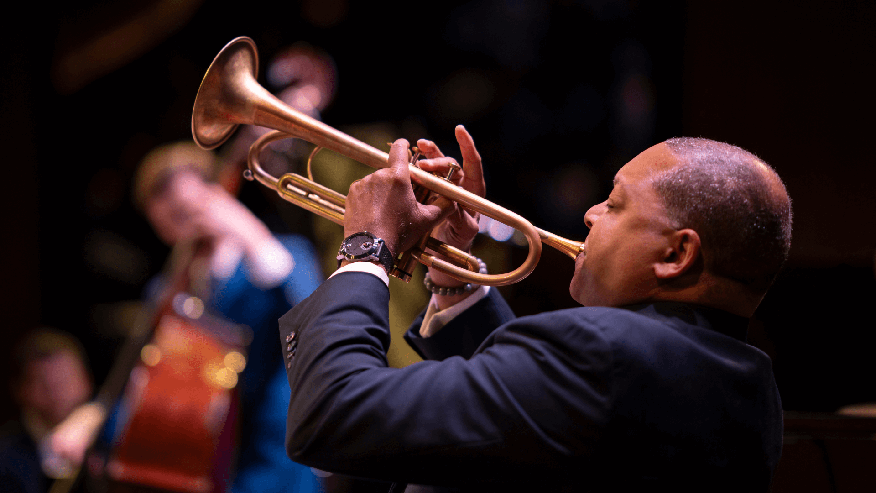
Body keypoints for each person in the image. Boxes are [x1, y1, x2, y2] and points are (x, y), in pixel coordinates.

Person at [277, 126, 792, 492]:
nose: (589, 213)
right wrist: (454, 273)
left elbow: (332, 415)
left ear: (676, 255)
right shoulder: (749, 386)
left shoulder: (600, 355)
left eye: (614, 204)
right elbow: (531, 420)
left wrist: (367, 248)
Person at [128, 140, 325, 493]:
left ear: (217, 197)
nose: (183, 231)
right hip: (200, 460)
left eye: (187, 212)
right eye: (170, 222)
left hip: (274, 454)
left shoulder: (283, 253)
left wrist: (249, 234)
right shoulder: (168, 290)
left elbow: (313, 317)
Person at [0, 328, 95, 493]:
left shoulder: (110, 426)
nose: (58, 394)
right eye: (45, 385)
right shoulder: (5, 456)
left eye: (66, 380)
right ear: (20, 390)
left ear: (87, 379)